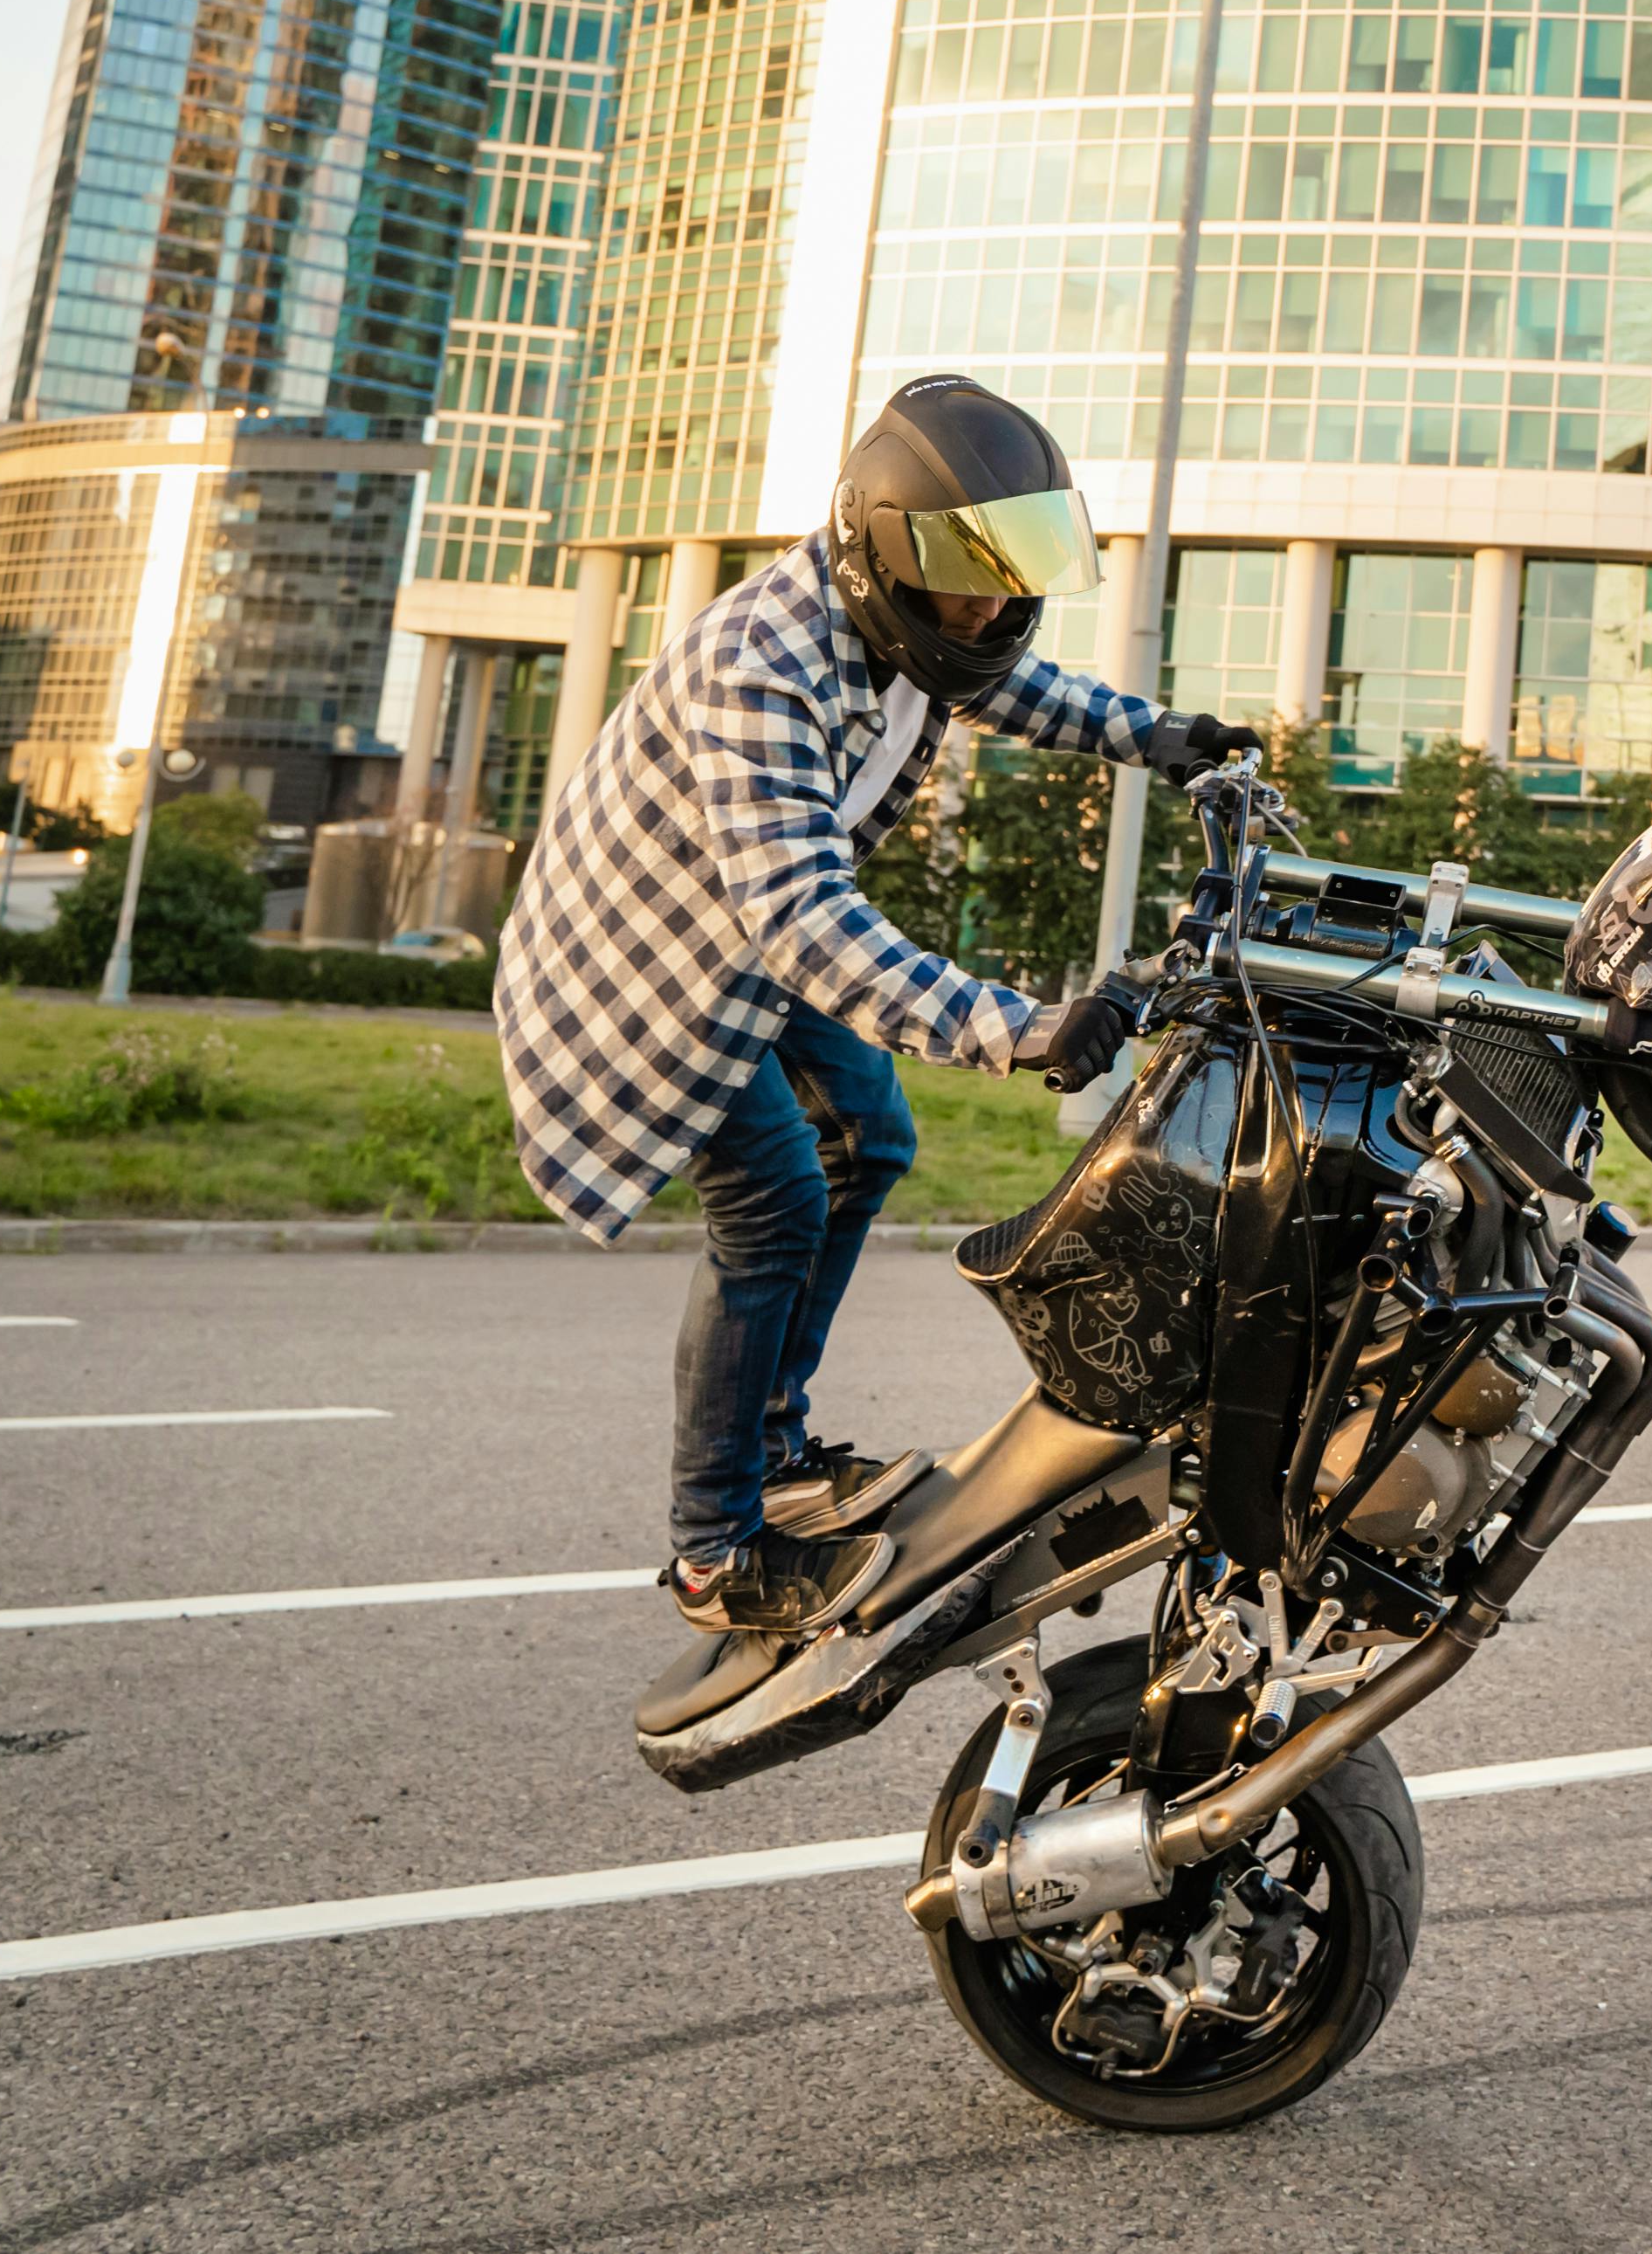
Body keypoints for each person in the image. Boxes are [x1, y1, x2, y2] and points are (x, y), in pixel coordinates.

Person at [498, 376, 1265, 1642]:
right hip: (647, 962)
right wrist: (1014, 1026)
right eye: (969, 571)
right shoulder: (766, 669)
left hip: (738, 937)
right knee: (775, 1202)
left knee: (874, 1141)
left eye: (1013, 569)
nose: (995, 601)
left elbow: (1020, 688)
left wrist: (1166, 736)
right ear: (877, 546)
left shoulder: (914, 625)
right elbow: (799, 918)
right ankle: (713, 1550)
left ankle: (781, 1456)